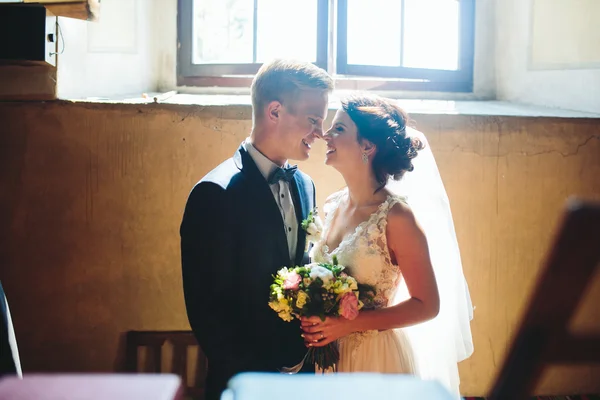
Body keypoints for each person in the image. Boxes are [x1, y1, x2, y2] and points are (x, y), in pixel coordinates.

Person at [301, 94, 474, 398]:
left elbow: (427, 305)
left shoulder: (396, 217)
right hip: (328, 358)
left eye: (339, 129)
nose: (326, 135)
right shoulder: (332, 205)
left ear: (367, 146)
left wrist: (350, 324)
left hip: (374, 360)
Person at [180, 59, 334, 400]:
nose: (320, 134)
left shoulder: (305, 186)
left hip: (303, 375)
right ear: (275, 111)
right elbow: (208, 313)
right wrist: (257, 381)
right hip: (245, 382)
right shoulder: (215, 194)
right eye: (313, 120)